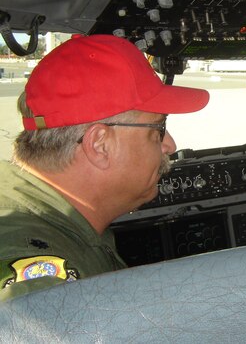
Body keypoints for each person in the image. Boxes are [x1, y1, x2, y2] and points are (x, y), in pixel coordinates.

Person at [0, 34, 209, 301]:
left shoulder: (55, 216)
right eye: (159, 129)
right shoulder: (37, 278)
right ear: (100, 144)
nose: (169, 144)